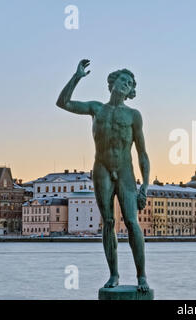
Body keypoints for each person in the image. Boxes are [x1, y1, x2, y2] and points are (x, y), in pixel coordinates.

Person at [56, 59, 150, 292]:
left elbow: (142, 153)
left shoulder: (134, 116)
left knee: (131, 222)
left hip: (126, 172)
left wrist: (145, 186)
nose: (126, 84)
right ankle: (114, 275)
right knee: (108, 222)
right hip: (102, 170)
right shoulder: (96, 108)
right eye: (123, 80)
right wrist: (77, 76)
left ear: (131, 92)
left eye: (130, 83)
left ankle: (142, 276)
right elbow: (63, 102)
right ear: (113, 82)